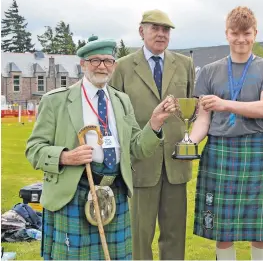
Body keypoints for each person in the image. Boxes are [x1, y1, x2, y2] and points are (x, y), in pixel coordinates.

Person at [25, 36, 176, 260]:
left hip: (114, 191)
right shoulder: (56, 101)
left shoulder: (122, 100)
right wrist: (65, 157)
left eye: (108, 61)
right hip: (74, 191)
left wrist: (154, 123)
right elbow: (33, 150)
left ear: (114, 66)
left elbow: (136, 148)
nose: (102, 66)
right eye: (95, 60)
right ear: (83, 64)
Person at [188, 6, 263, 260]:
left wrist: (224, 104)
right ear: (226, 34)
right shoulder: (209, 71)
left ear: (255, 33)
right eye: (235, 33)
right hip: (219, 151)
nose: (241, 39)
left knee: (261, 232)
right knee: (223, 231)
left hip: (253, 149)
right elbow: (202, 121)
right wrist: (187, 142)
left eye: (247, 33)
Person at [110, 9, 195, 260]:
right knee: (139, 236)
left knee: (175, 235)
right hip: (140, 164)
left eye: (166, 29)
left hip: (176, 162)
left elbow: (193, 108)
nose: (161, 34)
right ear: (141, 31)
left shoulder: (185, 64)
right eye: (155, 28)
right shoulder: (123, 67)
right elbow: (115, 116)